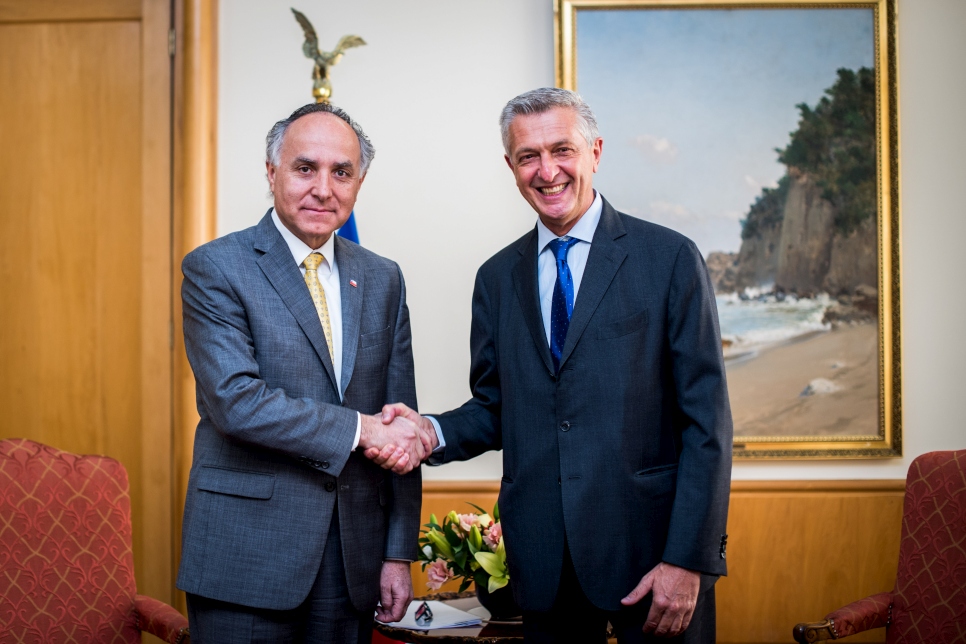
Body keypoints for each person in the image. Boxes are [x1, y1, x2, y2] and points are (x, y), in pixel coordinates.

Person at [369, 88, 733, 643]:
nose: (547, 170)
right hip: (542, 563)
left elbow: (708, 426)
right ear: (511, 166)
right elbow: (495, 408)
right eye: (528, 156)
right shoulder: (496, 278)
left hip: (653, 558)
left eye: (561, 149)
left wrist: (690, 559)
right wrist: (429, 431)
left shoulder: (670, 259)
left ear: (596, 152)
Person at [177, 102, 428, 643]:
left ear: (359, 182)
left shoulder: (384, 279)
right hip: (245, 559)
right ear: (272, 172)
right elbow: (235, 402)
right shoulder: (216, 267)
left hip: (353, 559)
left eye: (342, 172)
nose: (323, 188)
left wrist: (397, 552)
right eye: (305, 168)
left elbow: (399, 416)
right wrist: (362, 430)